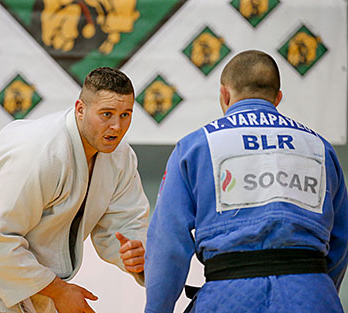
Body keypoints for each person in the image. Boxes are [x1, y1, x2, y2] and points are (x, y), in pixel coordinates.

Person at [0, 67, 149, 313]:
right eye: (106, 114)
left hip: (33, 266)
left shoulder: (120, 157)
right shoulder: (40, 152)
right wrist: (60, 291)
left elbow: (124, 224)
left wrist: (135, 254)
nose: (117, 127)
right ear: (80, 109)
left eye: (125, 115)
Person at [144, 50, 348, 313]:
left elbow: (168, 245)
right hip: (312, 294)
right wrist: (314, 286)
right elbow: (341, 236)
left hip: (229, 296)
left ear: (225, 95)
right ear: (278, 98)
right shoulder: (320, 147)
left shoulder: (196, 146)